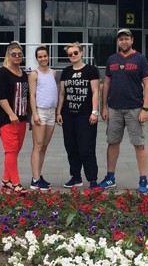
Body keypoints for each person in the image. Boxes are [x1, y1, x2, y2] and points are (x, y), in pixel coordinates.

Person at [100, 29, 148, 193]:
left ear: (132, 40)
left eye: (126, 39)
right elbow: (106, 84)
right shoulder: (112, 59)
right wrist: (104, 107)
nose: (123, 41)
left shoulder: (140, 59)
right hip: (114, 108)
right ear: (117, 41)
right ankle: (110, 178)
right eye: (121, 39)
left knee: (139, 144)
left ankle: (143, 179)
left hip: (135, 108)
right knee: (112, 142)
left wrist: (145, 108)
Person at [57, 42, 101, 189]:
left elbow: (95, 92)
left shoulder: (91, 70)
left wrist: (94, 112)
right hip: (68, 115)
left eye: (75, 53)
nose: (73, 56)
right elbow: (62, 93)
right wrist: (58, 112)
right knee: (71, 147)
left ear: (81, 53)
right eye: (70, 54)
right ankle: (76, 177)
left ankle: (92, 179)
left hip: (85, 115)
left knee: (86, 148)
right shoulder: (66, 71)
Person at [0, 41, 29, 194]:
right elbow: (0, 96)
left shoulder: (23, 73)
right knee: (11, 150)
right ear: (8, 55)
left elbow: (26, 96)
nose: (17, 56)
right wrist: (11, 114)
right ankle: (16, 183)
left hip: (22, 118)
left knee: (14, 151)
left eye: (19, 54)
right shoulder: (2, 73)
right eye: (14, 54)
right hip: (7, 119)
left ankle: (6, 180)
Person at [28, 46, 58, 191]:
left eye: (45, 56)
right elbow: (32, 95)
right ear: (37, 59)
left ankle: (38, 175)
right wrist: (34, 114)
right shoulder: (34, 74)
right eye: (40, 57)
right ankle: (35, 180)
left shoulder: (53, 73)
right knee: (38, 145)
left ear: (48, 56)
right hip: (40, 111)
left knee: (44, 146)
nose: (43, 59)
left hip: (51, 112)